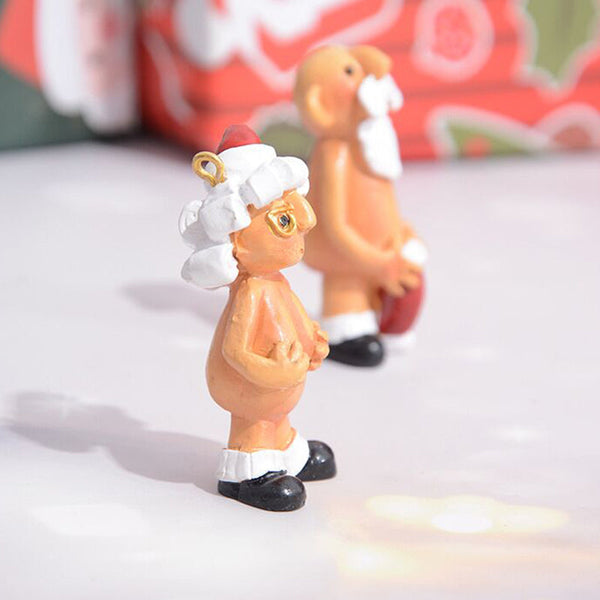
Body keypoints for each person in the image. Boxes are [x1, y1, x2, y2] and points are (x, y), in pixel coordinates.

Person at [179, 125, 335, 511]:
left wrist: (311, 338)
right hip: (250, 388)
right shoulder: (250, 293)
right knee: (256, 420)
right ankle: (247, 470)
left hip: (279, 393)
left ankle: (286, 450)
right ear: (238, 240)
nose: (304, 225)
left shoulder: (275, 282)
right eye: (284, 220)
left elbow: (292, 316)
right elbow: (235, 352)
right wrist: (272, 373)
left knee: (276, 418)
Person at [294, 45, 427, 367]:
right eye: (351, 72)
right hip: (346, 258)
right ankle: (345, 330)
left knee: (400, 284)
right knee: (348, 290)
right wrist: (376, 261)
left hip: (377, 255)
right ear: (321, 104)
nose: (370, 76)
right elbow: (335, 226)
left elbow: (381, 201)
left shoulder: (369, 146)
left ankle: (382, 320)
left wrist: (398, 233)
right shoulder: (334, 153)